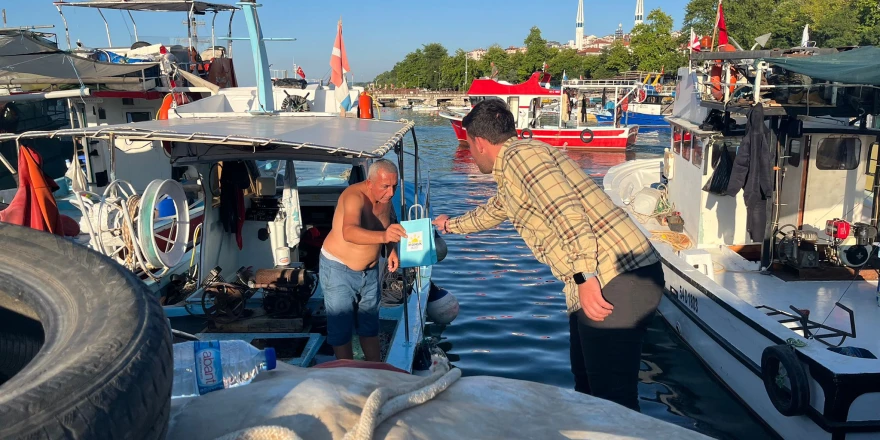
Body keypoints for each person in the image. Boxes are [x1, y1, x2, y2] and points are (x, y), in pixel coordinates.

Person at [432, 99, 664, 412]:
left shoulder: (520, 159)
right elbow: (495, 210)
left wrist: (585, 277)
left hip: (616, 273)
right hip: (605, 274)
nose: (472, 156)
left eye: (471, 148)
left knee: (612, 401)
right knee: (587, 388)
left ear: (480, 142)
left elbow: (568, 213)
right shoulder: (520, 161)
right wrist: (449, 225)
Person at [320, 159, 407, 361]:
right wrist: (385, 237)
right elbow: (349, 231)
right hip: (339, 269)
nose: (391, 192)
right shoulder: (353, 196)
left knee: (369, 325)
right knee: (340, 327)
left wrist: (391, 249)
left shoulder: (386, 197)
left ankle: (375, 369)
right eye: (385, 186)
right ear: (370, 183)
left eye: (394, 186)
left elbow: (388, 224)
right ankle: (347, 373)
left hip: (370, 271)